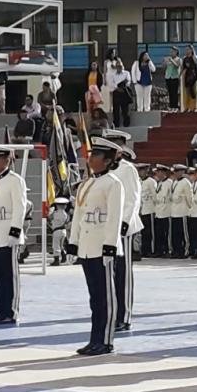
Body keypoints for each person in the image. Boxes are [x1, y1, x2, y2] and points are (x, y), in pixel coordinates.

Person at [66, 137, 125, 356]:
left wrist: (110, 246)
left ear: (108, 160)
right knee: (94, 297)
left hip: (102, 246)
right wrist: (73, 243)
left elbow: (114, 218)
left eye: (96, 155)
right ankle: (94, 339)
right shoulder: (88, 183)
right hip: (88, 246)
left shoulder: (113, 183)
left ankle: (105, 340)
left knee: (105, 297)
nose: (90, 158)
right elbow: (79, 215)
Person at [99, 129, 143, 331]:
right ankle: (111, 312)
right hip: (105, 226)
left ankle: (123, 316)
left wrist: (124, 223)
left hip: (123, 228)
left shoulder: (128, 169)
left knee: (123, 272)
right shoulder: (105, 170)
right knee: (108, 272)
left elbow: (133, 199)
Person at [0, 146, 26, 325]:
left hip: (8, 231)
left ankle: (11, 311)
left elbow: (20, 206)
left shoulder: (15, 181)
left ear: (6, 160)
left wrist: (15, 231)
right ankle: (0, 310)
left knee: (9, 275)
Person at [169, 165, 192, 258]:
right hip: (174, 211)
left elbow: (189, 197)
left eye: (178, 171)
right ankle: (176, 250)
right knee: (175, 234)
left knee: (183, 233)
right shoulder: (174, 182)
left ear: (182, 172)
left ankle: (185, 251)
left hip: (182, 211)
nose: (176, 173)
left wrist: (190, 209)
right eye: (175, 171)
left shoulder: (185, 182)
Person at [106, 56, 133, 127]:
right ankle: (116, 124)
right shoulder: (113, 75)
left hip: (124, 91)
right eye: (117, 66)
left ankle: (126, 124)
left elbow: (128, 81)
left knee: (125, 110)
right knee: (116, 110)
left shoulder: (126, 73)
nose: (119, 67)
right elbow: (112, 83)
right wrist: (117, 88)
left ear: (122, 66)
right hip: (117, 92)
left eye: (120, 66)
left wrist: (123, 86)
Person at [153, 165, 172, 257]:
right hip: (158, 212)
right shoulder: (159, 183)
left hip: (166, 212)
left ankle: (168, 250)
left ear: (163, 172)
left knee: (167, 233)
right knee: (159, 233)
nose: (157, 174)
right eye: (157, 172)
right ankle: (160, 250)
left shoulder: (169, 183)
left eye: (159, 172)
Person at [138, 164, 156, 260]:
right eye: (140, 171)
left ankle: (151, 250)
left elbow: (154, 196)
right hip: (142, 210)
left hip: (150, 209)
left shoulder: (151, 182)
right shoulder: (139, 181)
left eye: (143, 170)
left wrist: (155, 209)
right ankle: (144, 249)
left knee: (150, 232)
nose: (141, 173)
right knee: (144, 232)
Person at [49, 197, 70, 266]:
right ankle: (64, 257)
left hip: (57, 231)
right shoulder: (66, 214)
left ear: (57, 205)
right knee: (61, 245)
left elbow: (50, 217)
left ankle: (56, 260)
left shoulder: (55, 213)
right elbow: (67, 222)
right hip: (63, 231)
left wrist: (50, 211)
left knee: (56, 246)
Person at [163, 46, 182, 112]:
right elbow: (164, 67)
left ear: (176, 52)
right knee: (170, 92)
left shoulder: (178, 59)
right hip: (168, 77)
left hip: (175, 77)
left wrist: (172, 60)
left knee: (174, 93)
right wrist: (164, 62)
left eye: (173, 51)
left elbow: (177, 66)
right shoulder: (168, 59)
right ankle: (171, 106)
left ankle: (175, 107)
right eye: (171, 51)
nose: (171, 53)